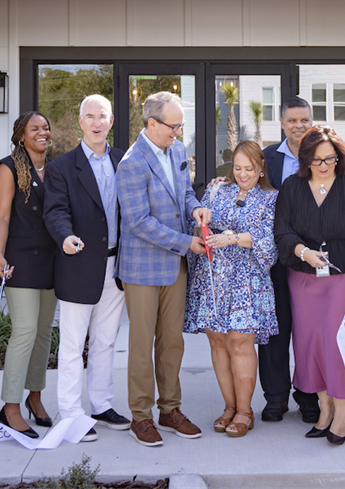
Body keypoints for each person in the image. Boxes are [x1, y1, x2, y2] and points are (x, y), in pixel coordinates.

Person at [274, 125, 345, 447]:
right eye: (317, 160)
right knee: (310, 344)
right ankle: (323, 408)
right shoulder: (292, 188)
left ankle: (342, 411)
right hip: (304, 277)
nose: (324, 166)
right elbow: (282, 232)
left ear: (339, 157)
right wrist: (303, 252)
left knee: (339, 344)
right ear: (305, 159)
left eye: (330, 159)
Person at [117, 91, 212, 447]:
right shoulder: (131, 163)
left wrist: (196, 210)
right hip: (143, 268)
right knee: (142, 346)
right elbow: (139, 222)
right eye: (174, 126)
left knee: (172, 343)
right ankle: (140, 417)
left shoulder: (174, 150)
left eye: (180, 126)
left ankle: (169, 409)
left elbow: (185, 192)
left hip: (175, 266)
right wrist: (186, 242)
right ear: (152, 124)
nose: (178, 132)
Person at [42, 95, 131, 444]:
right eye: (90, 117)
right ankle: (70, 412)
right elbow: (55, 211)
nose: (96, 123)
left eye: (103, 117)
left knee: (106, 342)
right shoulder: (62, 167)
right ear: (80, 122)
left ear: (111, 121)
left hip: (116, 267)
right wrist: (64, 237)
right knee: (72, 344)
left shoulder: (124, 161)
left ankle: (101, 404)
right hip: (79, 263)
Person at [185, 140, 279, 438]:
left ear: (261, 167)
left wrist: (233, 238)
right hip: (212, 278)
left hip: (247, 282)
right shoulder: (215, 191)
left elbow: (269, 241)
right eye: (237, 168)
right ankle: (228, 407)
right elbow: (199, 224)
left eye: (249, 168)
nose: (242, 174)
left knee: (240, 343)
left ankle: (245, 410)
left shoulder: (271, 198)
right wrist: (202, 232)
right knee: (218, 343)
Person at [0, 111, 56, 438]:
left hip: (52, 262)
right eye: (35, 128)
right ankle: (11, 406)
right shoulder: (8, 168)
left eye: (45, 127)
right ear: (21, 136)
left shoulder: (55, 168)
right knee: (25, 331)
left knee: (44, 333)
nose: (42, 132)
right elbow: (1, 217)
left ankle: (35, 397)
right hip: (20, 261)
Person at [259, 96, 320, 424]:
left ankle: (309, 397)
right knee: (273, 330)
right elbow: (244, 185)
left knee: (309, 331)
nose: (299, 126)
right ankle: (276, 398)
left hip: (311, 259)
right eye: (292, 120)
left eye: (304, 120)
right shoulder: (267, 159)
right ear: (281, 123)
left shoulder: (323, 155)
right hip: (272, 260)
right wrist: (221, 182)